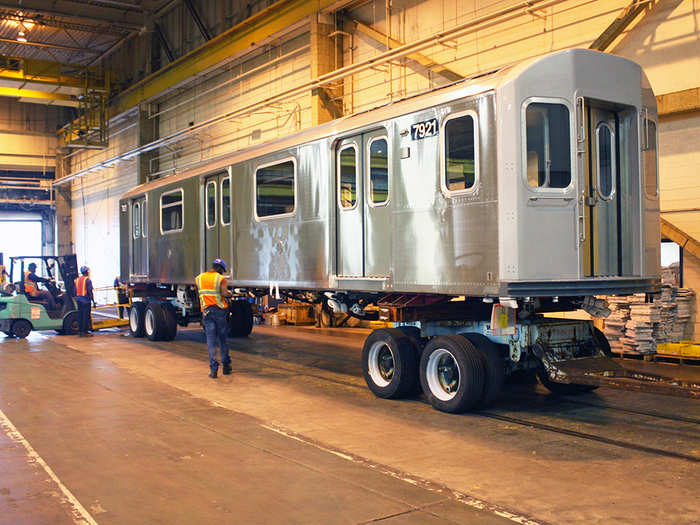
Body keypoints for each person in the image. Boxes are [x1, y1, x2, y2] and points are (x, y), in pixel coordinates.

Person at [195, 258, 233, 379]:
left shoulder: (199, 278)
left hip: (206, 312)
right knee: (222, 339)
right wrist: (230, 294)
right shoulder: (220, 279)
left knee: (211, 341)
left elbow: (199, 294)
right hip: (220, 312)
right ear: (220, 269)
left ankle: (213, 370)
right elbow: (224, 293)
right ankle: (226, 367)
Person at [75, 266, 95, 337]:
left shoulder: (77, 280)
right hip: (85, 300)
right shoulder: (87, 280)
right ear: (86, 272)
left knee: (80, 315)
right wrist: (93, 301)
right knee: (86, 316)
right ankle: (85, 331)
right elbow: (90, 291)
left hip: (78, 300)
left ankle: (80, 331)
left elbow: (75, 290)